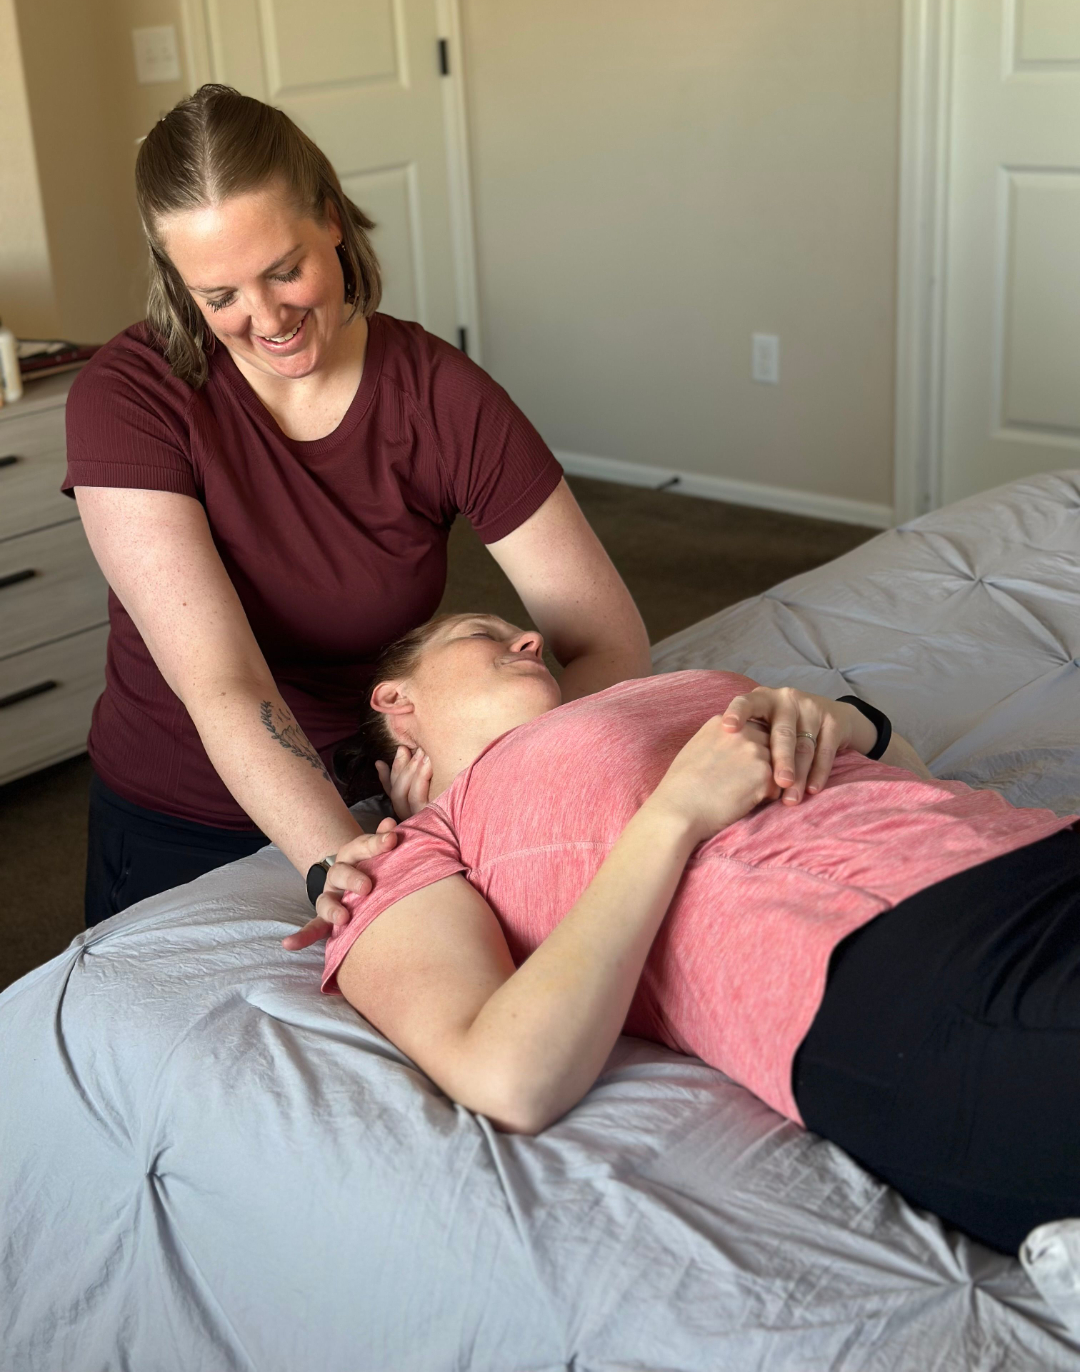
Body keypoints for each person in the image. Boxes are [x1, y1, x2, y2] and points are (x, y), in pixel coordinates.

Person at [64, 84, 651, 938]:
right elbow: (225, 683)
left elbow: (608, 637)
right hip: (183, 816)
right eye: (218, 295)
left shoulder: (440, 396)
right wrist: (350, 867)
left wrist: (479, 785)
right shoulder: (128, 399)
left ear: (333, 219)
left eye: (284, 270)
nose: (264, 319)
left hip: (387, 797)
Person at [321, 611, 1080, 1257]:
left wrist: (844, 721)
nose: (528, 635)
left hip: (1034, 848)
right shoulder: (412, 848)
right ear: (397, 699)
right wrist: (675, 814)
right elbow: (506, 1079)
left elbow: (908, 779)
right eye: (483, 630)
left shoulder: (669, 689)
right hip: (907, 958)